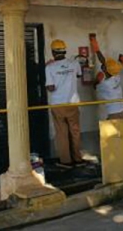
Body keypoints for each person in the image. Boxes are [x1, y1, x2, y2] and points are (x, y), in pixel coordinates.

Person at [90, 35, 123, 163]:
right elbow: (104, 62)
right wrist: (96, 47)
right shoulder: (116, 75)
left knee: (118, 135)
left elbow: (94, 83)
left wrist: (95, 78)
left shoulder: (103, 81)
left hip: (114, 112)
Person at [45, 39, 84, 169]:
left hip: (58, 104)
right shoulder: (74, 64)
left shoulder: (50, 67)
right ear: (65, 51)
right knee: (75, 131)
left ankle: (66, 161)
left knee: (62, 133)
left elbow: (50, 87)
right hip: (72, 103)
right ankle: (78, 159)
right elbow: (79, 76)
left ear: (53, 52)